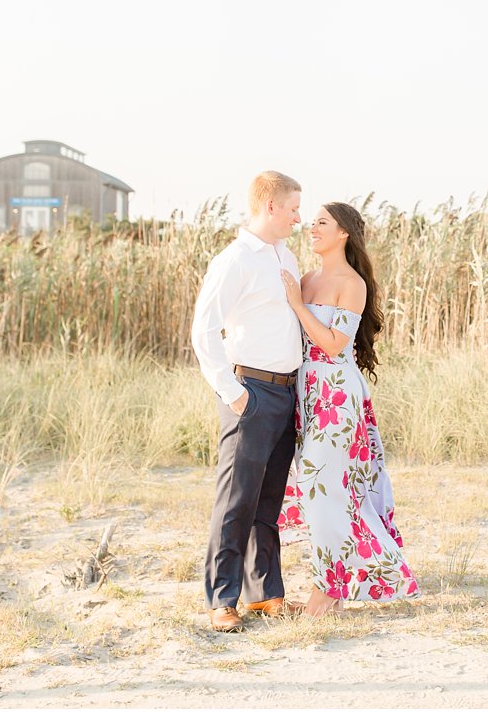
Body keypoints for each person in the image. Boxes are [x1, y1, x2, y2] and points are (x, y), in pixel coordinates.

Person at [278, 201, 418, 617]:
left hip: (337, 393)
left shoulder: (350, 283)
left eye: (322, 223)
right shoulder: (306, 278)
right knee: (316, 489)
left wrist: (298, 305)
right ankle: (333, 584)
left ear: (343, 233)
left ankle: (329, 591)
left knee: (325, 491)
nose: (312, 228)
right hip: (306, 392)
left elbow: (335, 344)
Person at [191, 171, 306, 632]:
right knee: (236, 499)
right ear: (270, 206)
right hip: (251, 391)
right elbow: (204, 329)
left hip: (287, 388)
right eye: (294, 208)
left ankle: (266, 593)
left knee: (269, 499)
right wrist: (233, 394)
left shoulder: (287, 256)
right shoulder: (235, 260)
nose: (299, 217)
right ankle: (222, 599)